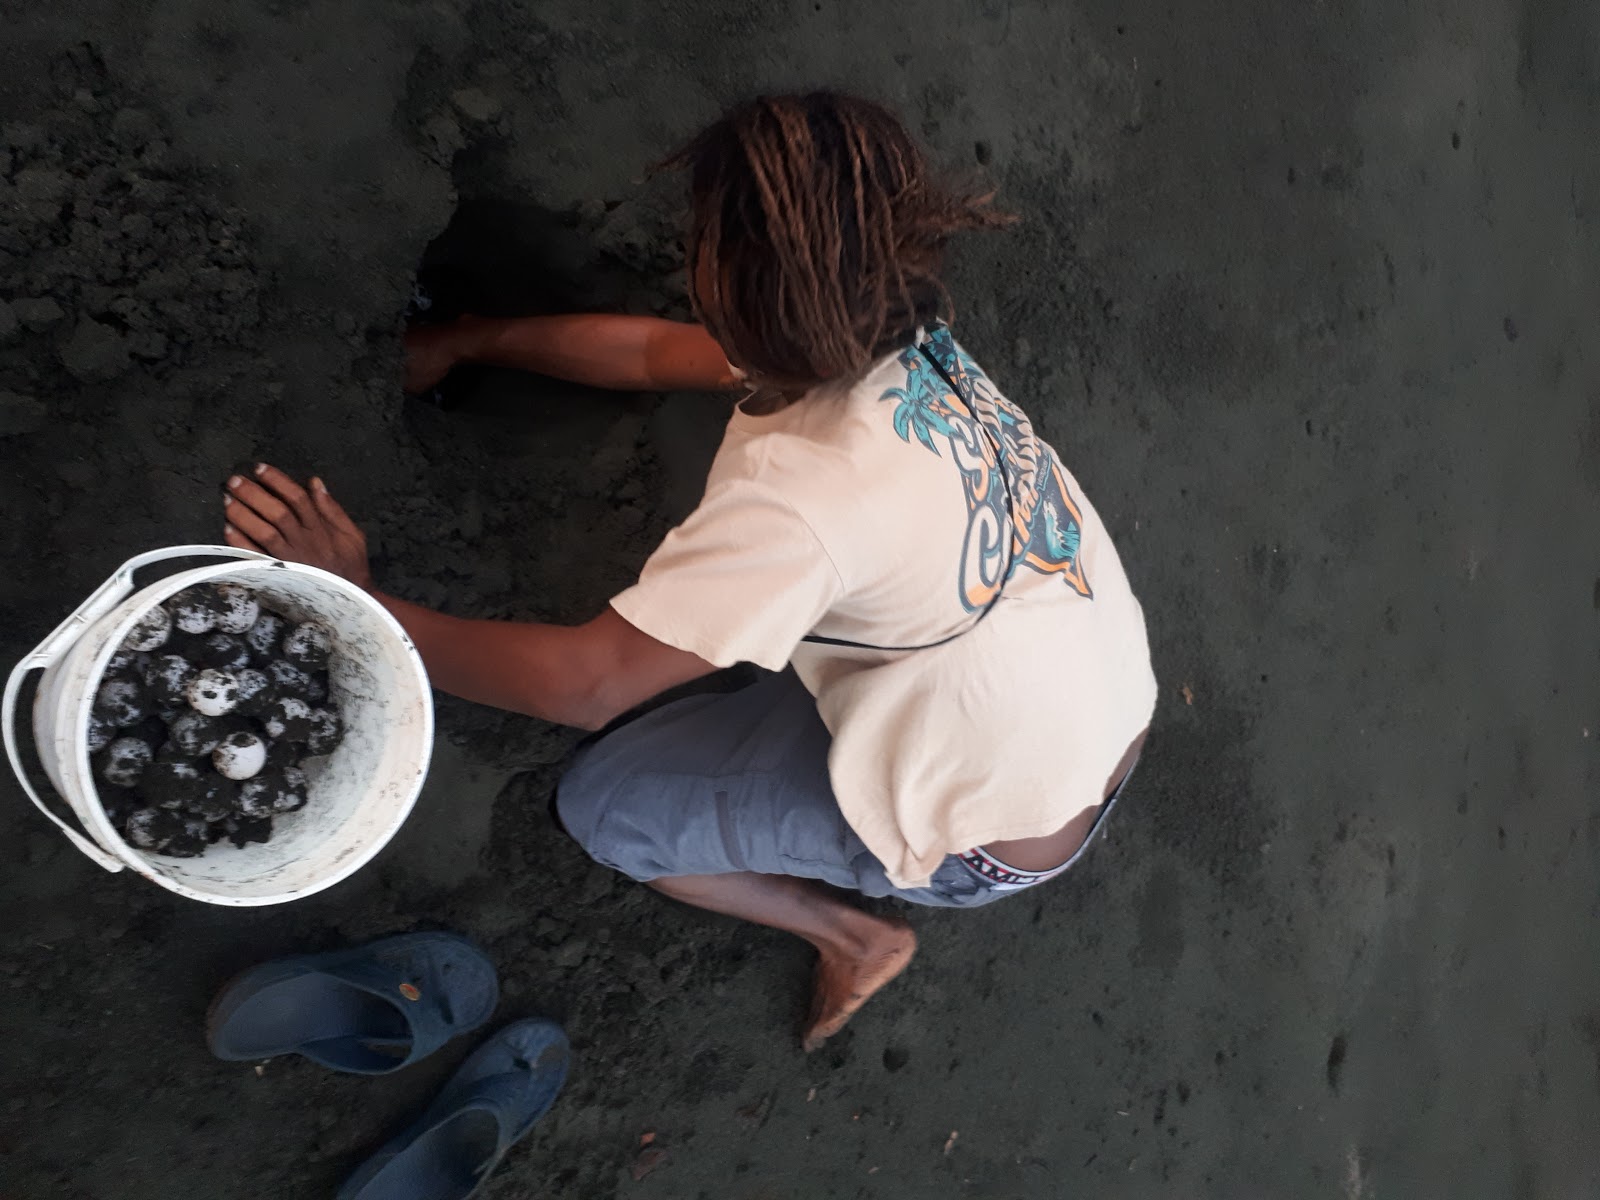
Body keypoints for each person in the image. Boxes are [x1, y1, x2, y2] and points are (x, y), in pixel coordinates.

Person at [223, 92, 1157, 1052]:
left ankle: (858, 934)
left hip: (992, 830)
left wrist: (359, 604)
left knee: (609, 808)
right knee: (766, 641)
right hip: (1078, 702)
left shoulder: (800, 498)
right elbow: (652, 352)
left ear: (729, 278)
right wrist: (471, 340)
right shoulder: (888, 326)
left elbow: (585, 685)